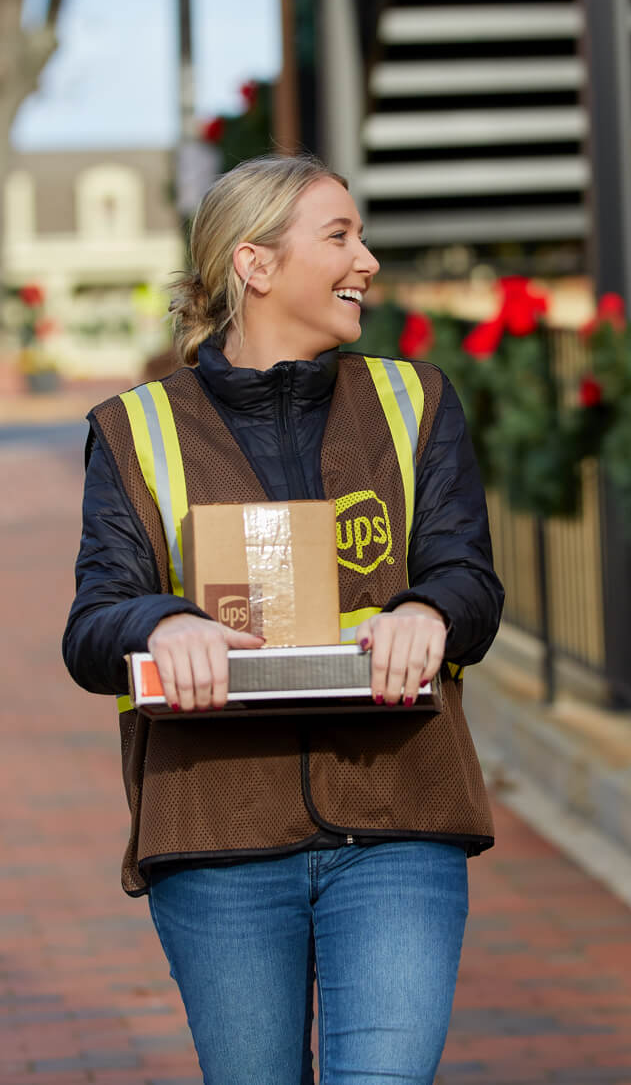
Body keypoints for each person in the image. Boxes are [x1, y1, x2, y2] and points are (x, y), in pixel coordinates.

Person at [62, 154, 504, 1085]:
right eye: (339, 236)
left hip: (401, 814)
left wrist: (431, 607)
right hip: (216, 829)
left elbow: (469, 577)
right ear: (255, 265)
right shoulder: (133, 428)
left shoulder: (414, 400)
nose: (368, 260)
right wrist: (160, 622)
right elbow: (91, 623)